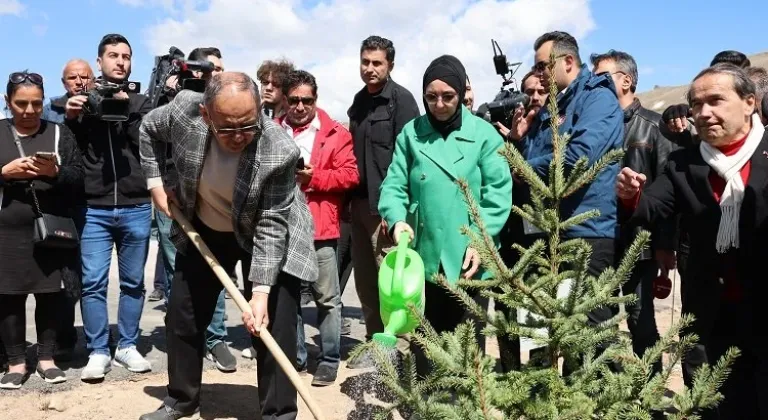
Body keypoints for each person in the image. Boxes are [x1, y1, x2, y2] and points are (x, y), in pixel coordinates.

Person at [138, 72, 318, 420]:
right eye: (228, 128)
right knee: (183, 312)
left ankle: (278, 413)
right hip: (206, 227)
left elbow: (271, 224)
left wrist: (261, 293)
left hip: (265, 232)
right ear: (206, 115)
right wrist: (155, 182)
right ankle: (181, 399)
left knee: (273, 324)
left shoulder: (279, 149)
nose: (239, 137)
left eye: (247, 125)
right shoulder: (183, 112)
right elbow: (147, 129)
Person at [616, 63, 767, 419]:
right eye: (696, 104)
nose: (703, 112)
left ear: (749, 102)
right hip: (712, 310)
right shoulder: (685, 163)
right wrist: (630, 195)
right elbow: (650, 207)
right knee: (723, 402)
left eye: (715, 100)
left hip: (764, 306)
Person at [378, 55, 512, 375]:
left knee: (467, 352)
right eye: (431, 96)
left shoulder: (484, 135)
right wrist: (397, 220)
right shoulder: (411, 134)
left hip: (470, 260)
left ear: (461, 92)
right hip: (423, 258)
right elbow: (394, 186)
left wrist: (479, 240)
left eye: (448, 96)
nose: (439, 104)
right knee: (427, 347)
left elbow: (497, 194)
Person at [64, 33, 154, 380]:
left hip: (136, 205)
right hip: (95, 208)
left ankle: (127, 346)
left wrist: (126, 106)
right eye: (113, 55)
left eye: (126, 56)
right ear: (99, 62)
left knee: (133, 283)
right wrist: (74, 114)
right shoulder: (81, 102)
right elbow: (67, 145)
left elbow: (146, 143)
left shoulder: (142, 102)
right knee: (93, 283)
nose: (121, 61)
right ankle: (98, 350)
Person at [591, 49, 677, 375]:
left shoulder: (654, 128)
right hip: (598, 242)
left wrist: (665, 247)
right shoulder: (595, 127)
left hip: (639, 246)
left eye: (602, 78)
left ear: (626, 81)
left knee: (641, 322)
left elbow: (669, 195)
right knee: (600, 322)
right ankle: (608, 391)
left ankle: (651, 392)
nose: (594, 86)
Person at [0, 71, 84, 389]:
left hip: (50, 228)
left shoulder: (60, 133)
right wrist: (4, 173)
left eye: (36, 103)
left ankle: (46, 359)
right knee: (8, 296)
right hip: (6, 229)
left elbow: (79, 179)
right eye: (21, 104)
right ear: (7, 102)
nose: (30, 111)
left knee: (50, 294)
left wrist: (56, 172)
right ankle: (16, 361)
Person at [347, 36, 420, 364]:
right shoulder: (358, 102)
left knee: (393, 285)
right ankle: (375, 348)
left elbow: (411, 161)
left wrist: (398, 210)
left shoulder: (401, 102)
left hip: (388, 210)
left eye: (377, 63)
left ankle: (401, 353)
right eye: (365, 62)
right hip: (359, 206)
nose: (370, 69)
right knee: (365, 283)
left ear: (390, 64)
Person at [43, 59, 94, 124]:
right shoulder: (50, 110)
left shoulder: (105, 105)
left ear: (93, 81)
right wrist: (68, 118)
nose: (78, 82)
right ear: (64, 82)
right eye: (72, 78)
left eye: (84, 77)